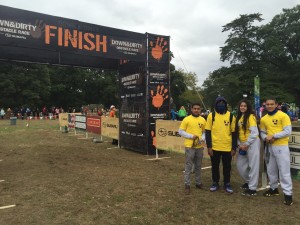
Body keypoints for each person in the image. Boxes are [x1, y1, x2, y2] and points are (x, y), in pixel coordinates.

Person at [260, 97, 293, 206]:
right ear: (265, 105)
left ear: (276, 105)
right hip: (269, 147)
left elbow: (288, 131)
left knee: (284, 171)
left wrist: (273, 136)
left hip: (281, 146)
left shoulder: (283, 115)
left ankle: (288, 195)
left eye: (271, 104)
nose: (269, 106)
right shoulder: (264, 118)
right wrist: (266, 138)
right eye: (267, 104)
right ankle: (274, 189)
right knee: (271, 170)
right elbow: (262, 132)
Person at [205, 96, 237, 193]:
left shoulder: (231, 116)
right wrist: (209, 147)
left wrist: (233, 147)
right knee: (214, 166)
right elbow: (207, 132)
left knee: (227, 166)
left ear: (226, 105)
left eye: (223, 103)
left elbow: (234, 133)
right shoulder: (211, 115)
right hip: (215, 147)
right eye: (219, 103)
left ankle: (227, 183)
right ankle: (215, 182)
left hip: (227, 147)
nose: (221, 105)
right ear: (215, 104)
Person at [178, 103, 206, 195]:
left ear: (200, 110)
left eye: (198, 109)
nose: (196, 110)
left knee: (198, 165)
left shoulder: (202, 119)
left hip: (199, 146)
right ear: (191, 109)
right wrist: (191, 136)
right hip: (189, 146)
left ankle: (198, 183)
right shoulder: (186, 119)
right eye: (195, 108)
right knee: (188, 166)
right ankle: (187, 185)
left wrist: (202, 138)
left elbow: (204, 132)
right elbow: (180, 131)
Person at [235, 99, 260, 196]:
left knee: (253, 165)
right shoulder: (239, 117)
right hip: (242, 144)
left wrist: (247, 144)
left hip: (252, 143)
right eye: (241, 106)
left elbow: (255, 133)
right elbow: (238, 133)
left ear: (248, 107)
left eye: (245, 106)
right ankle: (249, 181)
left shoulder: (251, 116)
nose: (242, 107)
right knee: (240, 165)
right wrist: (240, 144)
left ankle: (252, 188)